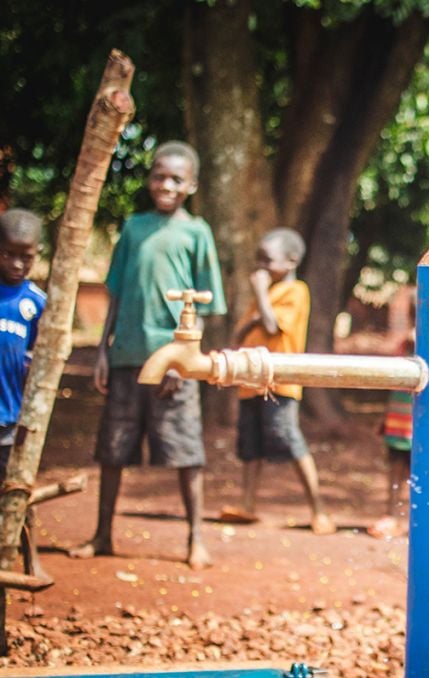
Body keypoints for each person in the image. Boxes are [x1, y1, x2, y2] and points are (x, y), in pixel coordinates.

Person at [70, 141, 226, 569]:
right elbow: (116, 293)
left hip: (176, 359)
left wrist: (187, 360)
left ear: (191, 185)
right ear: (149, 178)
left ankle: (196, 539)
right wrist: (103, 350)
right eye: (159, 176)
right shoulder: (134, 227)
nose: (166, 185)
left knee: (186, 450)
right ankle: (103, 534)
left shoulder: (197, 232)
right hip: (126, 356)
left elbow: (205, 304)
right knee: (113, 450)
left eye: (177, 179)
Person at [219, 228, 336, 536]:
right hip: (251, 380)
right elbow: (239, 334)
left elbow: (271, 326)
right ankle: (247, 503)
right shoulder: (266, 294)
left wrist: (259, 302)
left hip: (280, 381)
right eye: (258, 259)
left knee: (287, 437)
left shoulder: (296, 290)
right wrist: (258, 310)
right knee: (250, 443)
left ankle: (318, 509)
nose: (260, 267)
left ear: (292, 261)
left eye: (267, 260)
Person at [0, 209, 49, 583]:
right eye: (8, 254)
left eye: (26, 256)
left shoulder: (37, 302)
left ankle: (30, 555)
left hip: (11, 414)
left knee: (18, 488)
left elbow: (41, 358)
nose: (17, 263)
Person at [368, 283, 415, 540]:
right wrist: (386, 417)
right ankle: (393, 516)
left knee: (407, 471)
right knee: (398, 468)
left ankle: (402, 518)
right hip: (399, 419)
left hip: (413, 421)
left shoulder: (416, 341)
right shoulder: (406, 342)